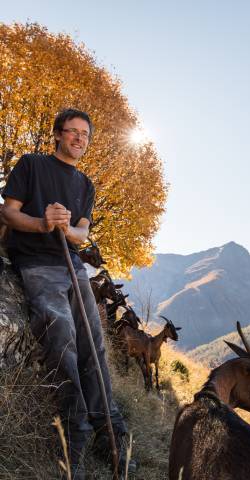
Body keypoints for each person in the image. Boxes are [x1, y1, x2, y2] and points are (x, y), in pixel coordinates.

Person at [1, 109, 135, 478]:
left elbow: (81, 235)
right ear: (58, 135)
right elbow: (8, 213)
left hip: (73, 267)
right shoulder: (31, 165)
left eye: (85, 135)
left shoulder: (85, 185)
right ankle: (76, 429)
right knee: (61, 337)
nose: (78, 139)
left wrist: (66, 228)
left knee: (94, 344)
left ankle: (111, 429)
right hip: (37, 265)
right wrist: (43, 223)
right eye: (72, 132)